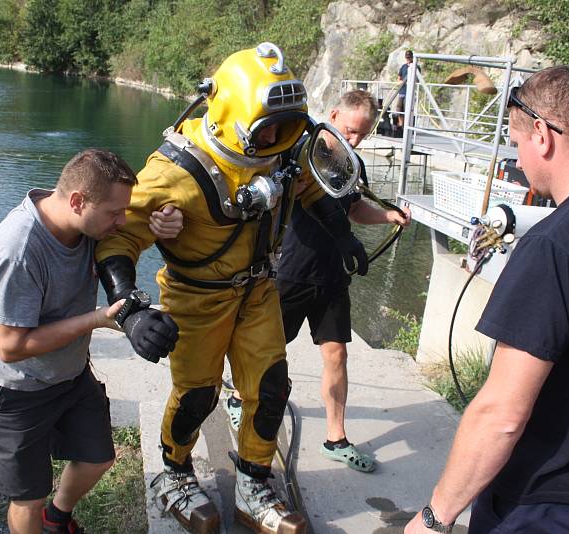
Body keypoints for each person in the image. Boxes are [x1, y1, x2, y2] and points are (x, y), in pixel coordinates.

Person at [94, 43, 368, 534]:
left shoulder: (282, 150)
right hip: (196, 298)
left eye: (288, 127)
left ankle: (253, 482)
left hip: (260, 289)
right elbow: (119, 236)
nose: (280, 139)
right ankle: (174, 475)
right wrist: (130, 312)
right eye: (270, 129)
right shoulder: (173, 173)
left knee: (269, 388)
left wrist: (343, 232)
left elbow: (307, 188)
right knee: (196, 395)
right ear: (232, 118)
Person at [404, 66, 569, 534]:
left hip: (548, 503)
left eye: (516, 141)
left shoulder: (556, 245)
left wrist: (434, 516)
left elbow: (502, 414)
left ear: (543, 135)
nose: (519, 158)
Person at [0, 148, 183, 534]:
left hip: (69, 374)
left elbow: (139, 220)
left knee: (98, 457)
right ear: (77, 200)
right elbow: (10, 346)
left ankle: (59, 516)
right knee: (27, 499)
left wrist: (162, 222)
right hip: (15, 390)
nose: (121, 222)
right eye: (114, 214)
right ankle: (42, 516)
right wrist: (100, 319)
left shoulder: (87, 224)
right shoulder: (18, 249)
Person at [224, 90, 411, 473]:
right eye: (349, 130)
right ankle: (240, 399)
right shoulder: (299, 155)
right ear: (333, 115)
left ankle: (336, 438)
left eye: (361, 134)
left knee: (337, 353)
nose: (353, 140)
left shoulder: (352, 163)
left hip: (332, 274)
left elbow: (354, 208)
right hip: (291, 271)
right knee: (268, 352)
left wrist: (387, 217)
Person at [395, 50, 415, 129]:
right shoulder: (403, 67)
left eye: (409, 57)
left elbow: (417, 79)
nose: (408, 59)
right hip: (402, 91)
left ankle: (407, 126)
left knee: (407, 108)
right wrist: (401, 82)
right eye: (407, 57)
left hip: (409, 92)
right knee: (399, 108)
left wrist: (410, 82)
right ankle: (401, 125)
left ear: (412, 57)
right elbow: (399, 77)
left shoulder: (415, 67)